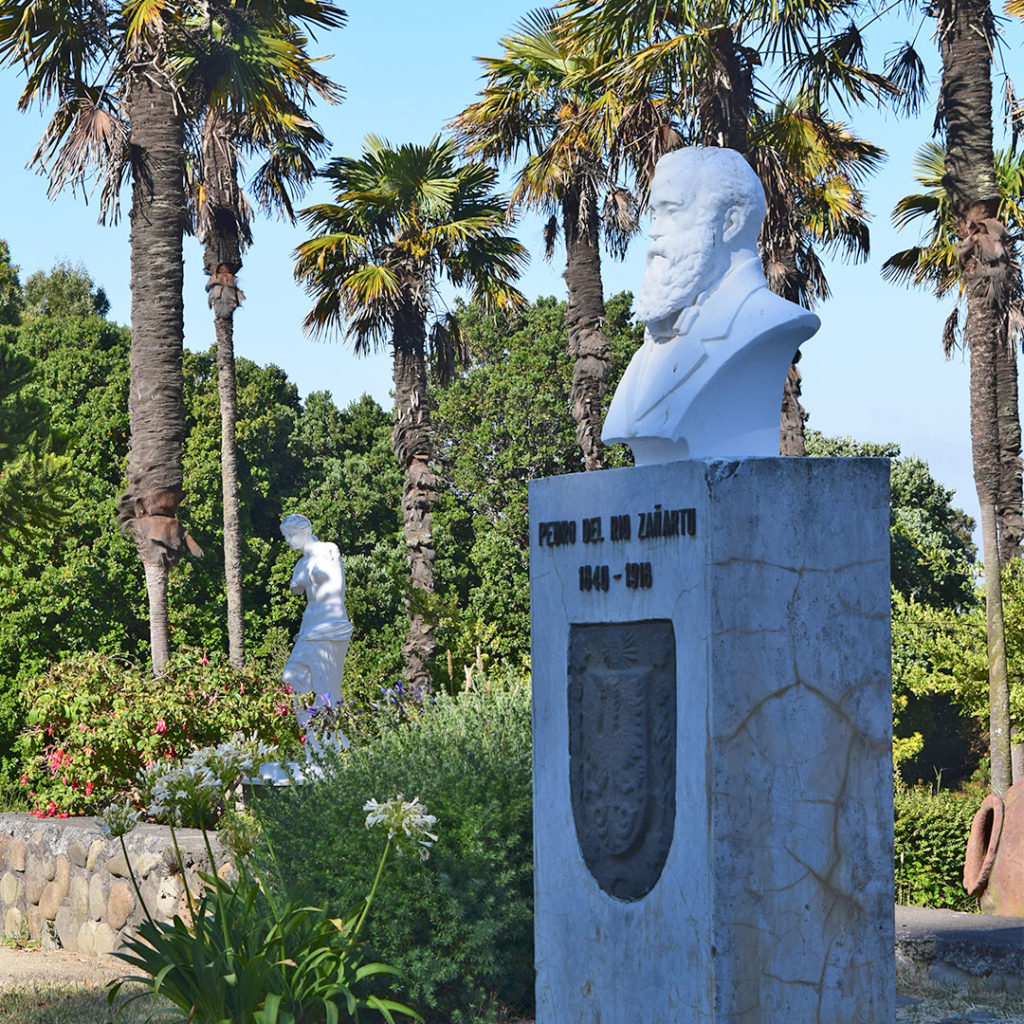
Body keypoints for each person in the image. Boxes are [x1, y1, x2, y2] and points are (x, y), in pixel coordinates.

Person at [602, 147, 820, 465]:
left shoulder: (769, 322)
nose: (653, 230)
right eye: (653, 213)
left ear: (730, 223)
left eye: (672, 211)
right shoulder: (652, 343)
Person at [279, 514, 353, 708]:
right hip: (309, 627)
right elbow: (297, 588)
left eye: (292, 534)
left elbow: (337, 587)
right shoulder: (300, 565)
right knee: (290, 680)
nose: (288, 540)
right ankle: (308, 729)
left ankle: (328, 735)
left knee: (327, 690)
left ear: (306, 531)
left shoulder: (329, 550)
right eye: (285, 536)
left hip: (332, 625)